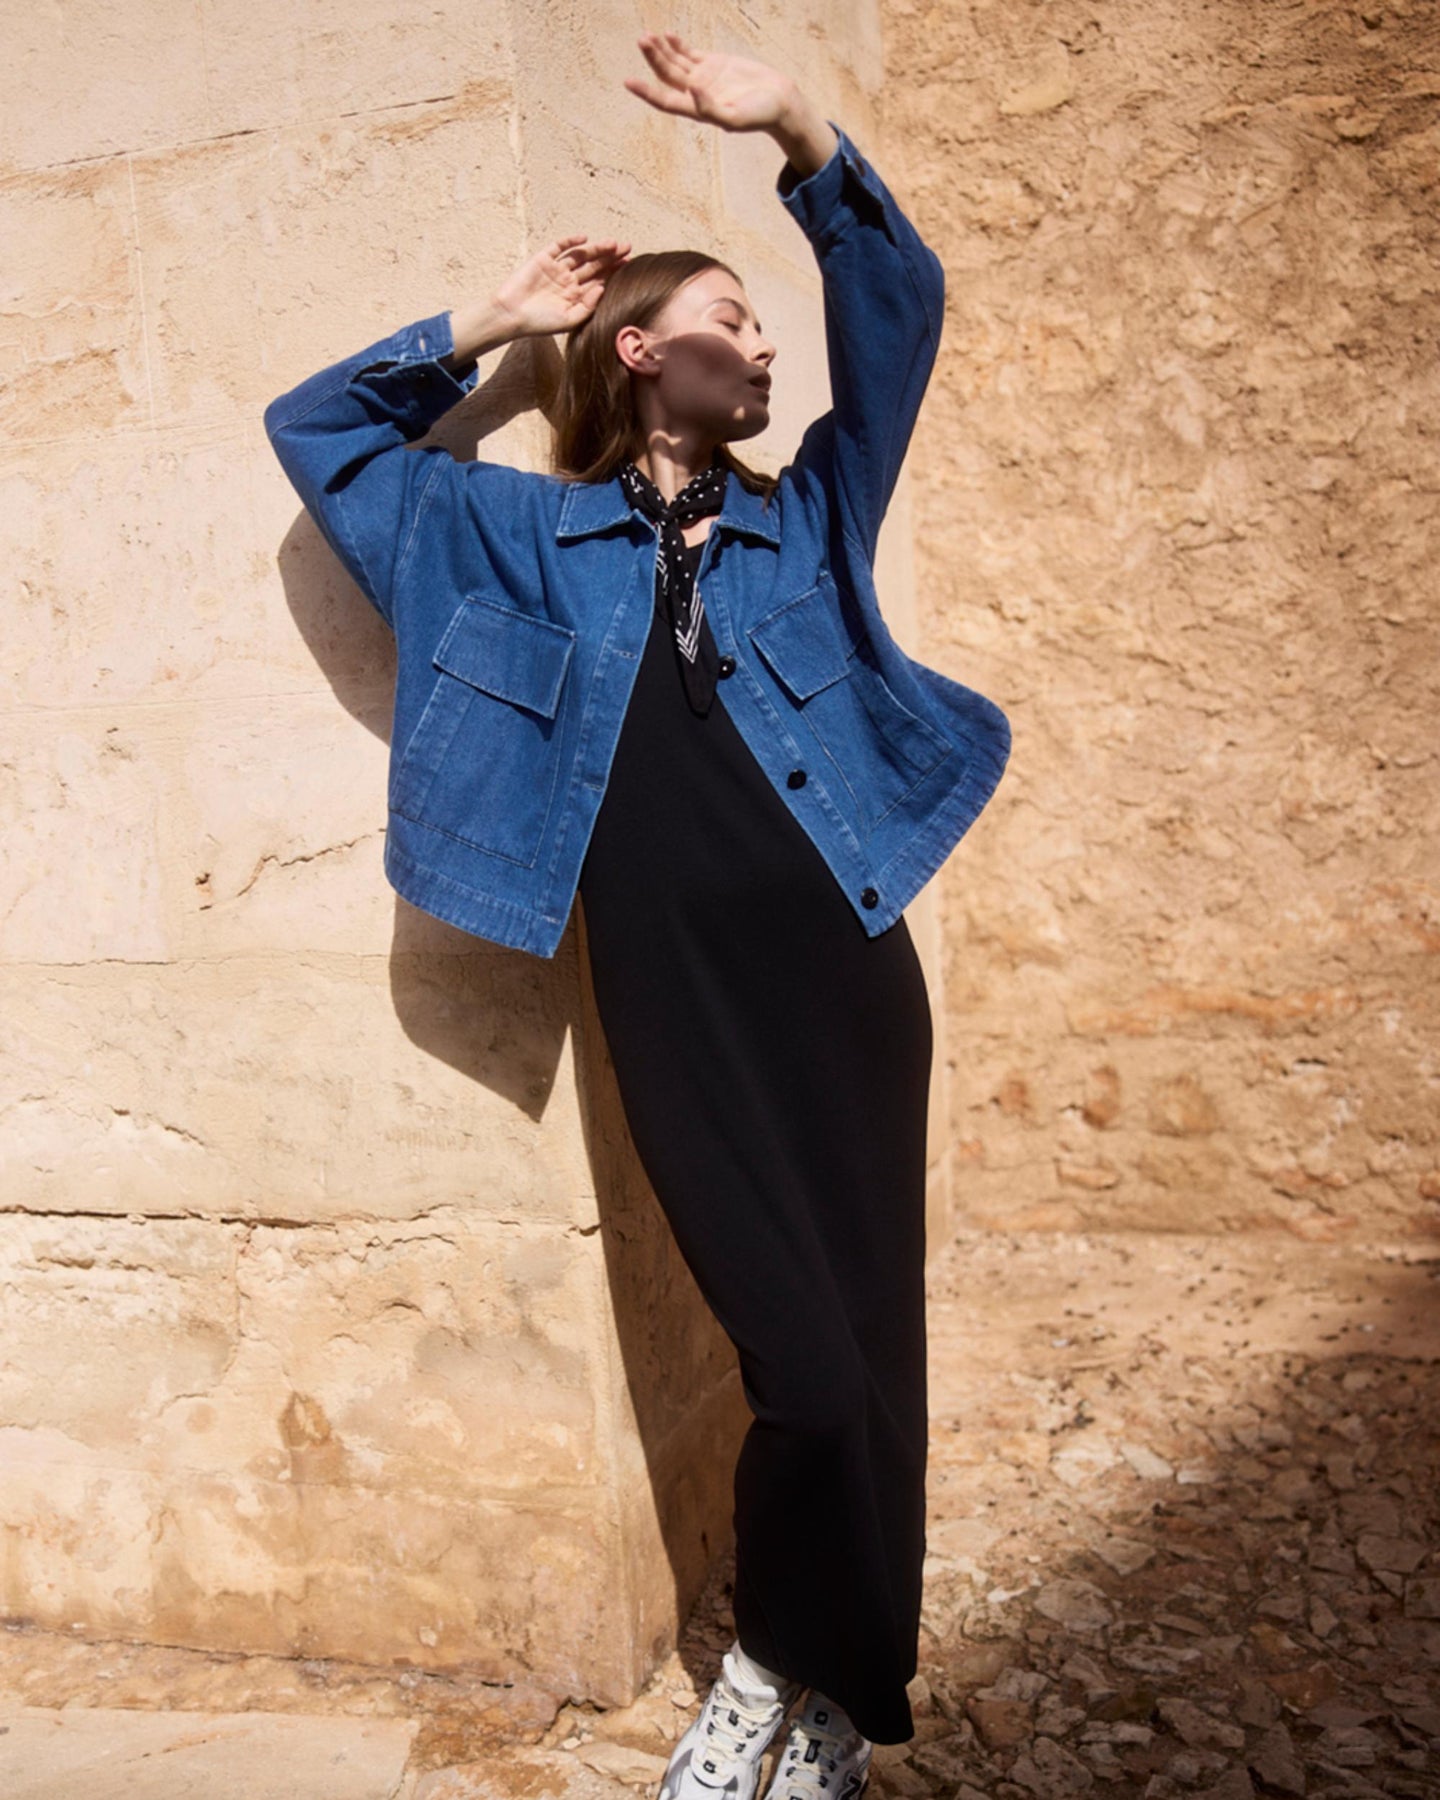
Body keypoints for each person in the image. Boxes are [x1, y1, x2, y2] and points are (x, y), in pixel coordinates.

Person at [264, 28, 1011, 1800]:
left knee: (871, 1344)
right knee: (799, 1364)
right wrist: (490, 320)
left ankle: (825, 1692)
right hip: (672, 988)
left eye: (764, 325)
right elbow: (319, 432)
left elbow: (898, 312)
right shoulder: (512, 541)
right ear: (639, 348)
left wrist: (798, 127)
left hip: (846, 970)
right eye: (733, 318)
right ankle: (776, 1659)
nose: (766, 346)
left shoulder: (806, 518)